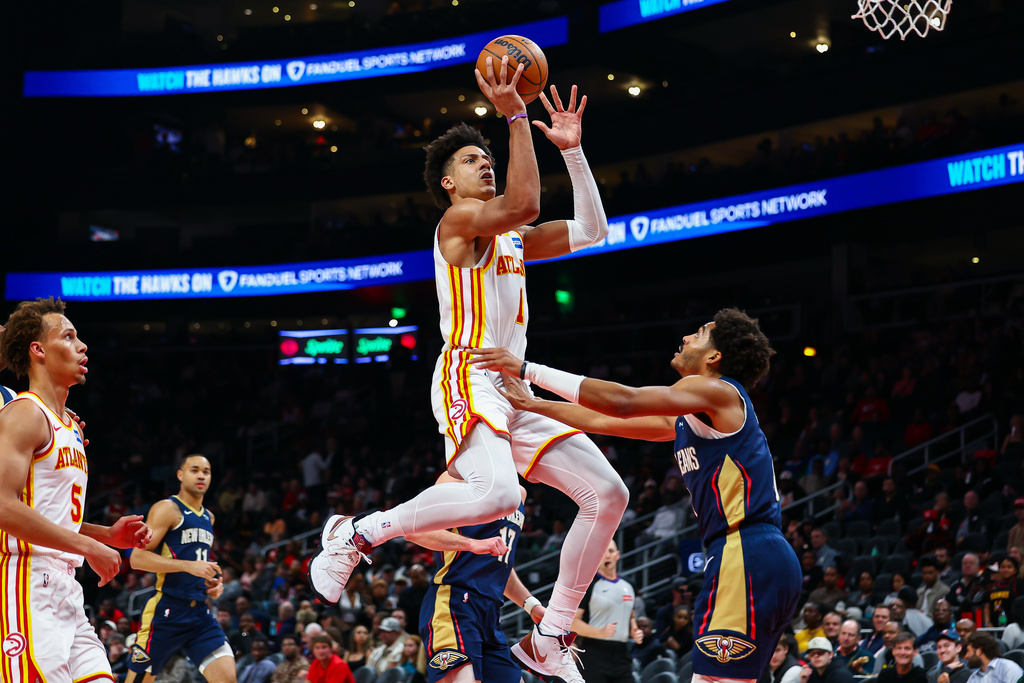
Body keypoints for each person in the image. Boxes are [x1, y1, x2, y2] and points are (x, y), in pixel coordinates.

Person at [310, 63, 624, 683]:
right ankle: (356, 533)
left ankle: (552, 634)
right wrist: (513, 117)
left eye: (488, 156)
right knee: (502, 494)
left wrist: (576, 152)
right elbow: (525, 201)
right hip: (469, 374)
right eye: (472, 161)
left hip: (516, 389)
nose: (484, 164)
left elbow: (593, 229)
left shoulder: (512, 238)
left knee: (608, 493)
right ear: (449, 185)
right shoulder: (456, 225)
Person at [474, 309, 803, 683]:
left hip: (745, 551)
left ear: (714, 357)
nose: (687, 337)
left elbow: (624, 402)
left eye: (699, 333)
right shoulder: (693, 415)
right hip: (760, 557)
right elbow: (607, 421)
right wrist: (534, 405)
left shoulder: (718, 391)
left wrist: (527, 369)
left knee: (714, 680)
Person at [0, 297, 152, 682]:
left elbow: (48, 514)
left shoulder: (71, 427)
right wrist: (88, 546)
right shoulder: (24, 413)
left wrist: (106, 535)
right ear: (38, 350)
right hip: (26, 585)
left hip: (68, 590)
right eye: (68, 337)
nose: (82, 346)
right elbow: (2, 506)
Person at [412, 472, 541, 683]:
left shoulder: (519, 493)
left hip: (490, 613)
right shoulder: (453, 480)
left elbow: (500, 565)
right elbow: (414, 530)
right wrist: (472, 544)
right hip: (454, 601)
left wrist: (531, 605)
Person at [126, 454, 235, 683]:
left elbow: (195, 563)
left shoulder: (209, 517)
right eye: (195, 470)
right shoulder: (168, 508)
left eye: (206, 471)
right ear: (180, 475)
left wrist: (210, 584)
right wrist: (188, 566)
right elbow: (136, 557)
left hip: (199, 614)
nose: (201, 475)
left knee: (227, 679)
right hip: (166, 612)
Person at [572, 540, 643, 683]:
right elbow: (573, 623)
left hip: (622, 654)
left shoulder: (629, 585)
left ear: (618, 555)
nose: (607, 555)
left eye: (610, 551)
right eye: (603, 552)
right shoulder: (588, 585)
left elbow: (630, 616)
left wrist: (634, 631)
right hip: (594, 653)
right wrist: (600, 632)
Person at [982, 556, 1023, 627]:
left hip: (1013, 626)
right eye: (1003, 567)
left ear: (1015, 570)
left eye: (1009, 567)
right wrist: (987, 622)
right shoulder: (993, 586)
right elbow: (987, 605)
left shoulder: (1019, 585)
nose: (1005, 570)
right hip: (994, 627)